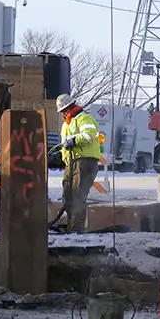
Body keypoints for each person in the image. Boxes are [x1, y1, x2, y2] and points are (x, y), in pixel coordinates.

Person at [56, 93, 102, 233]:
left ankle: (76, 229)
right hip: (72, 162)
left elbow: (87, 135)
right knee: (68, 195)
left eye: (65, 110)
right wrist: (62, 158)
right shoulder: (66, 125)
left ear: (71, 107)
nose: (63, 113)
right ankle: (71, 225)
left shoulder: (84, 119)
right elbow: (65, 145)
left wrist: (74, 141)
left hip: (85, 161)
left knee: (78, 195)